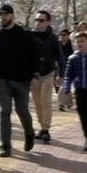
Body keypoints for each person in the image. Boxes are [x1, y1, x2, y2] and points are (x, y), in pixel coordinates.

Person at [0, 4, 38, 157]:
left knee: (22, 110)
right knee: (4, 111)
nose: (3, 17)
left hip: (21, 80)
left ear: (12, 15)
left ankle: (29, 133)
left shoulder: (25, 35)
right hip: (2, 81)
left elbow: (34, 56)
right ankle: (5, 146)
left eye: (6, 14)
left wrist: (35, 76)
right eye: (0, 15)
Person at [30, 10, 63, 144]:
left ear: (47, 23)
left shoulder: (52, 38)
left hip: (48, 73)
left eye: (41, 20)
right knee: (37, 102)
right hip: (34, 75)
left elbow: (59, 56)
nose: (38, 22)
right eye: (36, 20)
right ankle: (41, 127)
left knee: (46, 101)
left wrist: (60, 74)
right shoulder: (30, 36)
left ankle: (46, 129)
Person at [57, 28, 74, 111]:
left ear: (68, 36)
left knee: (64, 86)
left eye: (64, 35)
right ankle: (69, 103)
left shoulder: (72, 45)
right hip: (60, 68)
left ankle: (61, 104)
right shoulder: (57, 44)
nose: (62, 36)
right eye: (61, 35)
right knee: (64, 86)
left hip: (71, 68)